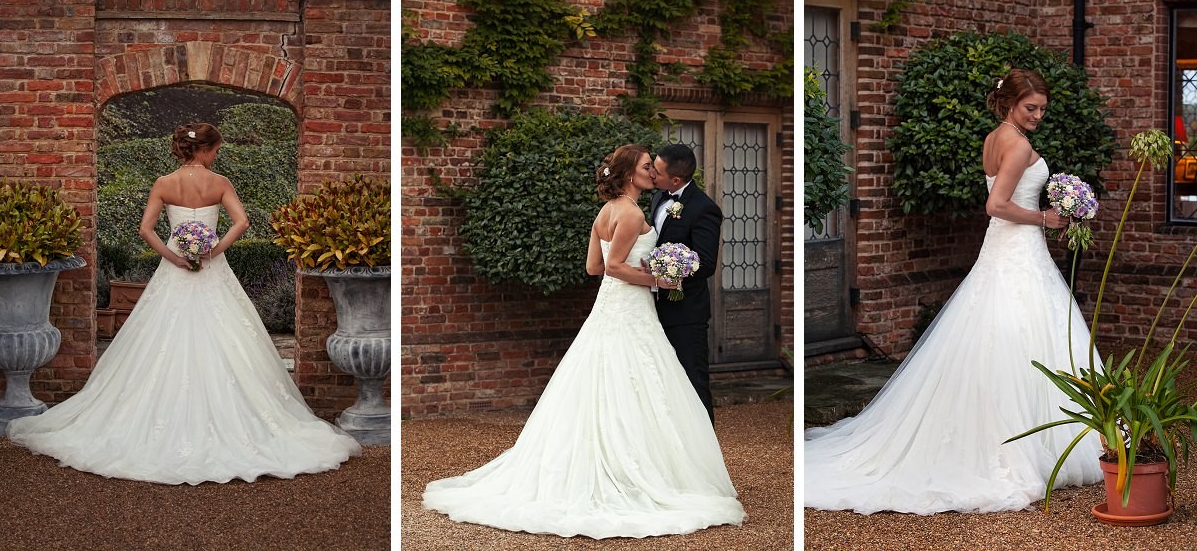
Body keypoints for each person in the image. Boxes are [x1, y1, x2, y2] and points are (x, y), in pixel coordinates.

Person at [803, 69, 1103, 514]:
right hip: (1016, 247)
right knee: (1020, 336)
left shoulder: (994, 137)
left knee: (1001, 336)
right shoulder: (1018, 145)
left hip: (1007, 250)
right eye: (1030, 108)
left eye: (1042, 108)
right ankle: (1016, 446)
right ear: (1010, 104)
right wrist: (1046, 218)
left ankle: (1008, 433)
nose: (1038, 115)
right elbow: (996, 205)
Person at [6, 123, 361, 485]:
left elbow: (146, 229)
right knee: (228, 337)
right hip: (213, 270)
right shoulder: (219, 182)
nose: (217, 155)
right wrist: (216, 249)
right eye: (216, 149)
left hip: (172, 269)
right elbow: (242, 222)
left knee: (158, 337)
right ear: (206, 150)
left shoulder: (164, 183)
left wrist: (174, 257)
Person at [422, 144, 745, 538]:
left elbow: (593, 266)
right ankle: (644, 471)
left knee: (613, 384)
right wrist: (658, 278)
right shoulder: (632, 212)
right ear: (631, 174)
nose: (653, 173)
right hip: (630, 309)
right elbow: (612, 267)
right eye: (647, 167)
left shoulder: (606, 212)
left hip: (613, 309)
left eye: (655, 169)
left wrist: (650, 270)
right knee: (642, 383)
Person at [647, 143, 723, 424]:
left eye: (655, 170)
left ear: (676, 179)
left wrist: (669, 271)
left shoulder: (705, 209)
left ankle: (706, 452)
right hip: (651, 307)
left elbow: (706, 262)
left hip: (686, 312)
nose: (651, 174)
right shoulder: (657, 199)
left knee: (693, 379)